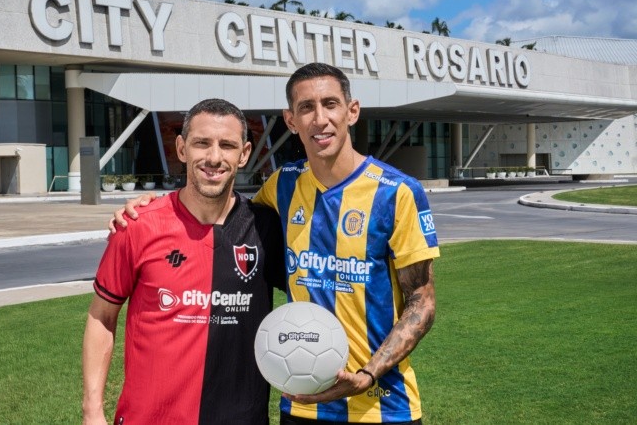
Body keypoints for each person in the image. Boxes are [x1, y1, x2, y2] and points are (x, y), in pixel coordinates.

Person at [111, 63, 440, 424]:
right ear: (290, 120)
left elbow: (422, 302)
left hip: (383, 406)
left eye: (330, 104)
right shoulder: (284, 184)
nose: (320, 119)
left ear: (352, 111)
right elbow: (219, 204)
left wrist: (367, 374)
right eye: (306, 108)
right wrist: (155, 207)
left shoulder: (398, 193)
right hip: (300, 402)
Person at [83, 98, 286, 425]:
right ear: (181, 148)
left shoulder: (266, 229)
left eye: (227, 145)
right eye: (201, 143)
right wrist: (92, 410)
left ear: (245, 153)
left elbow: (316, 287)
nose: (214, 157)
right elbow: (101, 316)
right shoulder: (137, 225)